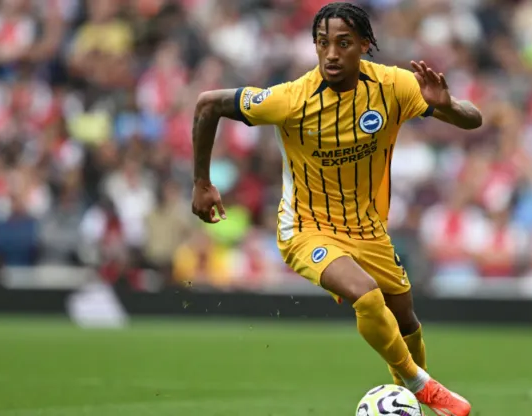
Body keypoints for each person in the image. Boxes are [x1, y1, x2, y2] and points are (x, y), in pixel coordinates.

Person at [190, 3, 482, 415]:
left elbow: (474, 120)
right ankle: (421, 386)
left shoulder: (394, 86)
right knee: (365, 295)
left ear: (364, 45)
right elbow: (207, 104)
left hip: (369, 230)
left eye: (343, 43)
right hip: (306, 229)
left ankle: (412, 394)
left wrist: (448, 106)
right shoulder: (291, 99)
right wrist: (202, 182)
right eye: (322, 43)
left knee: (407, 322)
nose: (330, 53)